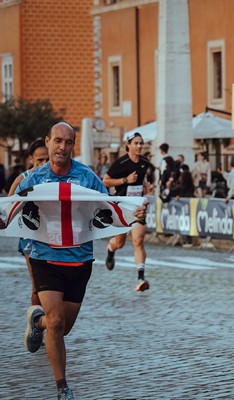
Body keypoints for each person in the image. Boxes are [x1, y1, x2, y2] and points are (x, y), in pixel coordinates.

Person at [15, 122, 146, 400]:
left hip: (80, 260)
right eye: (58, 141)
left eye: (69, 142)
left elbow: (110, 208)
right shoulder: (34, 179)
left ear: (73, 145)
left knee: (62, 327)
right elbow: (14, 208)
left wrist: (135, 215)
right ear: (48, 142)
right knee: (58, 321)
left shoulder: (87, 177)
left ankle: (36, 321)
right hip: (44, 256)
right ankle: (62, 387)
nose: (63, 147)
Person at [103, 132, 153, 292]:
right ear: (128, 145)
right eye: (136, 143)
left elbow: (143, 180)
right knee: (120, 243)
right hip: (122, 206)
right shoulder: (120, 163)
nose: (139, 146)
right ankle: (111, 250)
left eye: (141, 143)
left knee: (138, 241)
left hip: (138, 207)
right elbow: (105, 180)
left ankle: (141, 277)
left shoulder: (145, 162)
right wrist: (125, 180)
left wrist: (147, 187)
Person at [8, 138, 49, 306]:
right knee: (37, 284)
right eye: (40, 160)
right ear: (31, 159)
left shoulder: (55, 178)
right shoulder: (22, 180)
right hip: (29, 236)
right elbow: (8, 208)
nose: (44, 163)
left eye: (47, 159)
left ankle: (50, 318)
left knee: (52, 283)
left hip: (51, 234)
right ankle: (35, 320)